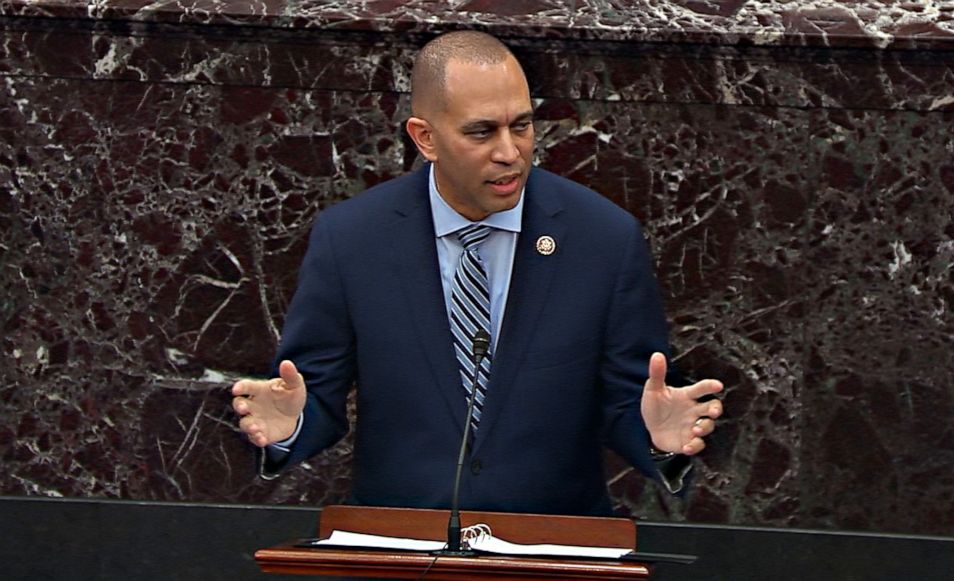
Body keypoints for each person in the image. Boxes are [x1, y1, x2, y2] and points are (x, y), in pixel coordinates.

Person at [231, 30, 723, 516]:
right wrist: (289, 425)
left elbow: (630, 402)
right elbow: (314, 392)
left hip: (553, 549)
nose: (510, 152)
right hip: (400, 547)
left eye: (523, 126)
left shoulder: (603, 239)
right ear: (425, 138)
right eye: (482, 131)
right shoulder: (353, 239)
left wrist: (660, 439)